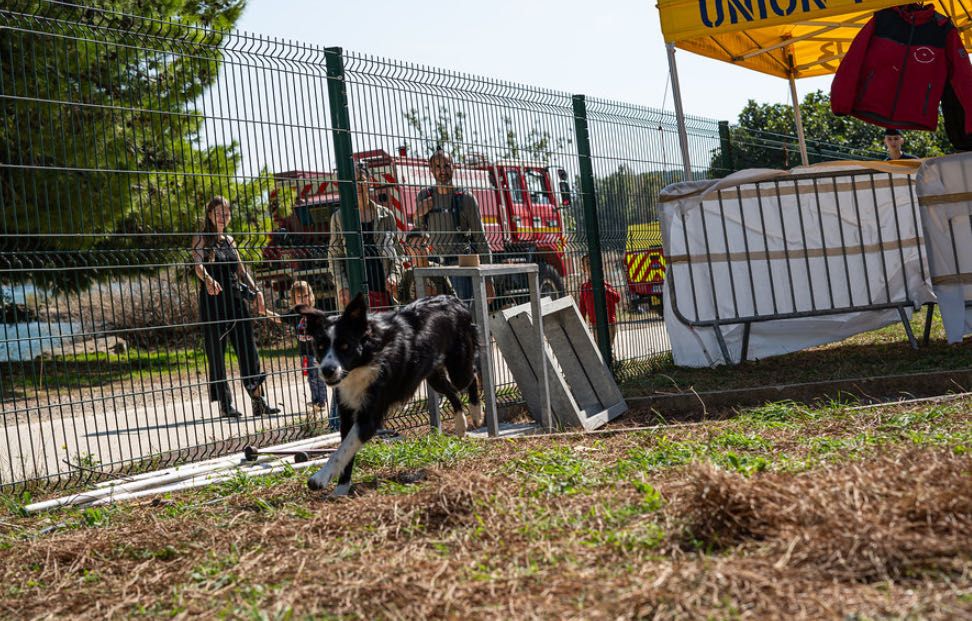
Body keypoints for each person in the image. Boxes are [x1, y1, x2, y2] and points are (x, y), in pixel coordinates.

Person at [192, 195, 280, 419]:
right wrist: (208, 280)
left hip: (235, 301)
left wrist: (257, 291)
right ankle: (225, 403)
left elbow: (241, 271)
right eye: (218, 213)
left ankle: (258, 399)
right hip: (213, 302)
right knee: (217, 353)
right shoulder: (202, 238)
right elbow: (198, 265)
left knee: (248, 349)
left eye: (226, 213)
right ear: (210, 215)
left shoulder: (229, 241)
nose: (223, 217)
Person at [414, 149, 493, 304]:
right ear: (431, 170)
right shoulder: (424, 197)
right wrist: (418, 214)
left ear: (453, 167)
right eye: (437, 166)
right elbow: (418, 234)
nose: (442, 171)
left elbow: (480, 239)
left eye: (446, 165)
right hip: (434, 267)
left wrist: (488, 280)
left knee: (461, 315)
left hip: (460, 268)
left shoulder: (466, 199)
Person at [329, 161, 403, 310]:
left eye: (361, 181)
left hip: (383, 292)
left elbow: (398, 253)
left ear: (369, 182)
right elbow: (334, 256)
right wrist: (342, 286)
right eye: (352, 182)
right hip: (355, 295)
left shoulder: (386, 215)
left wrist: (394, 276)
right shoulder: (339, 218)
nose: (357, 186)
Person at [287, 281, 332, 424]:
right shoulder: (294, 314)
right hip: (304, 352)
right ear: (294, 298)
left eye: (306, 296)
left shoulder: (314, 313)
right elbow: (279, 318)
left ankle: (322, 401)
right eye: (299, 297)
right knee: (310, 376)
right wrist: (264, 312)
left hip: (317, 352)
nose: (303, 299)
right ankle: (315, 400)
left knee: (319, 376)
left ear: (310, 296)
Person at [398, 227, 455, 304]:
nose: (419, 251)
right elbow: (402, 300)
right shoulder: (408, 273)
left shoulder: (438, 270)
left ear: (429, 248)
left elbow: (452, 297)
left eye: (422, 246)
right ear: (408, 250)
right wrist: (394, 290)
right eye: (415, 247)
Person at [578, 254, 621, 346]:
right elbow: (582, 308)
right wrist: (581, 323)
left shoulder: (605, 284)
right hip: (595, 324)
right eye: (588, 263)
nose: (591, 266)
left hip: (609, 322)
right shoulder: (584, 287)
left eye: (593, 263)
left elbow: (617, 298)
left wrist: (605, 289)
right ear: (584, 269)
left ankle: (612, 359)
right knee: (600, 348)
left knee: (608, 348)